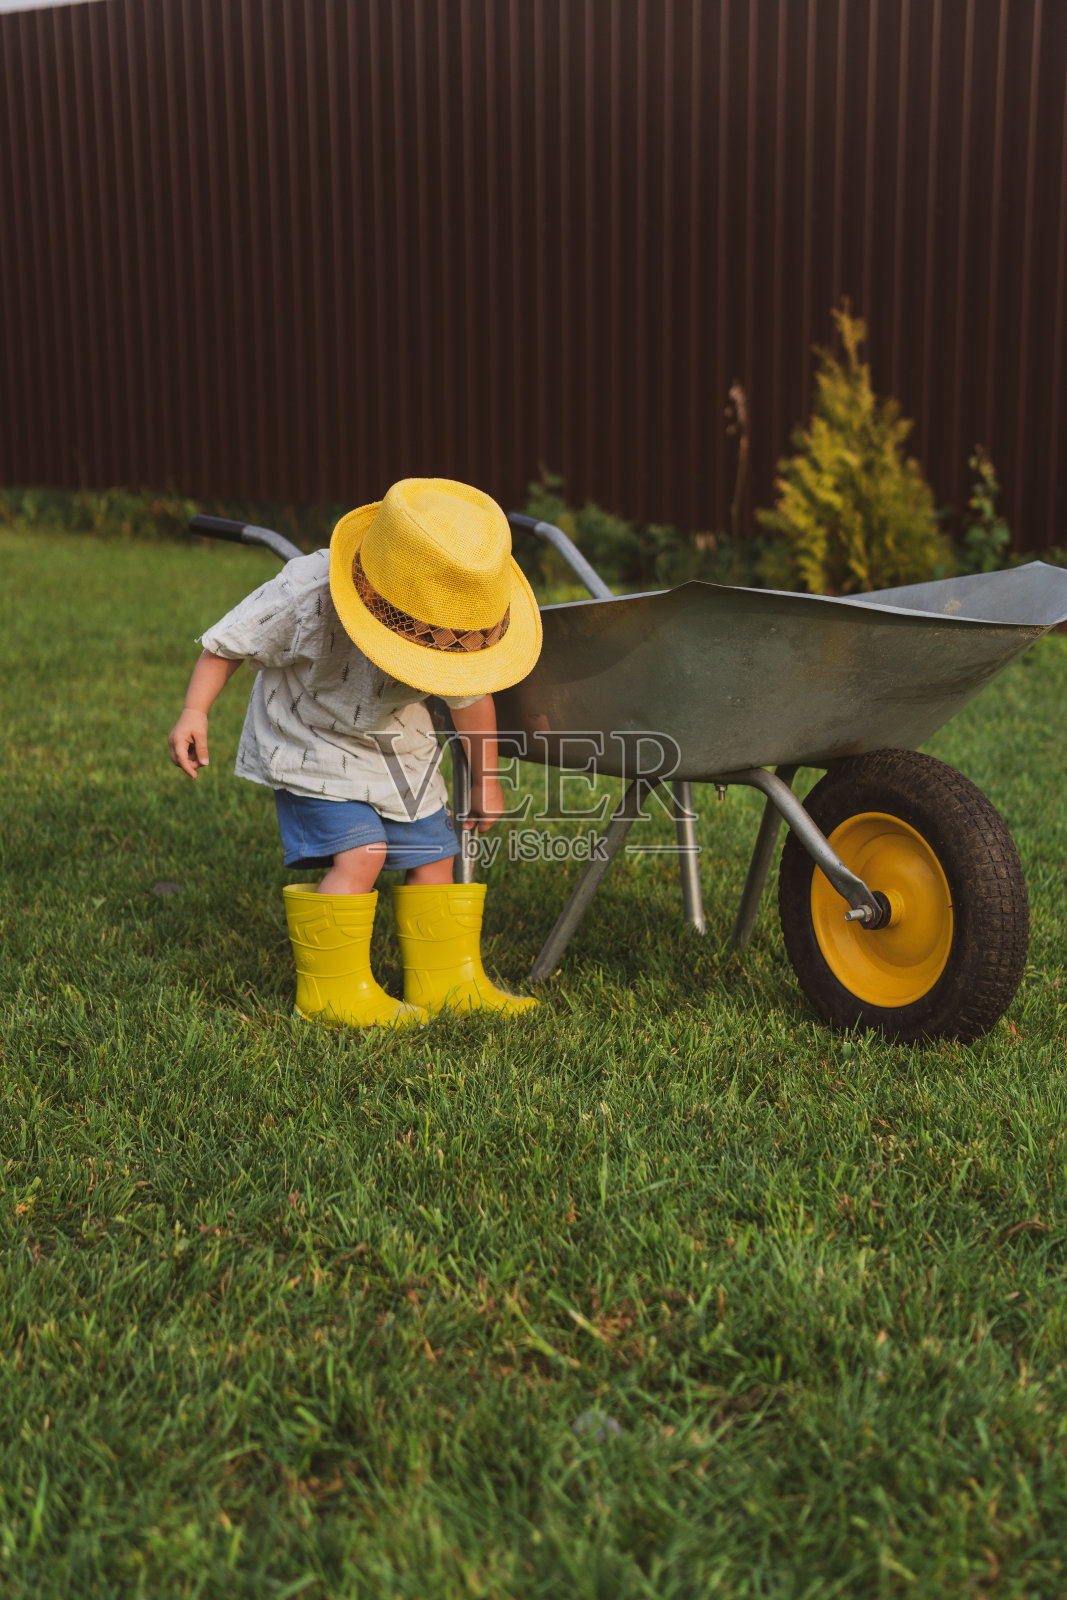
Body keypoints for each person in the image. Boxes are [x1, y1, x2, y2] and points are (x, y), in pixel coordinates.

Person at [168, 478, 543, 1029]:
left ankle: (444, 979)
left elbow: (471, 702)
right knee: (363, 852)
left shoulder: (455, 622)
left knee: (436, 856)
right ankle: (333, 992)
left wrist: (485, 779)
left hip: (398, 747)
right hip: (310, 739)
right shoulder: (306, 593)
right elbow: (228, 643)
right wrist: (195, 711)